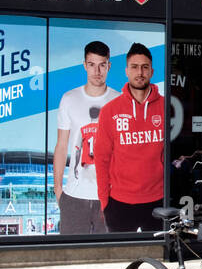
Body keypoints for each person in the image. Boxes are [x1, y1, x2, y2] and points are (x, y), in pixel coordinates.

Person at [95, 43, 164, 233]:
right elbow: (101, 159)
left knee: (156, 259)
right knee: (121, 260)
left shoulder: (166, 107)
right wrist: (104, 201)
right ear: (126, 71)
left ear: (152, 71)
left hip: (157, 201)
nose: (140, 72)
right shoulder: (110, 110)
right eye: (134, 67)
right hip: (119, 203)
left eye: (145, 67)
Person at [52, 41, 119, 234]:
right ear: (84, 65)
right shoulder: (69, 99)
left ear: (109, 66)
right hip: (74, 196)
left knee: (109, 258)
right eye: (92, 64)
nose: (97, 71)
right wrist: (59, 190)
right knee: (70, 257)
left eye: (102, 65)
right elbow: (62, 145)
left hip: (108, 197)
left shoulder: (119, 101)